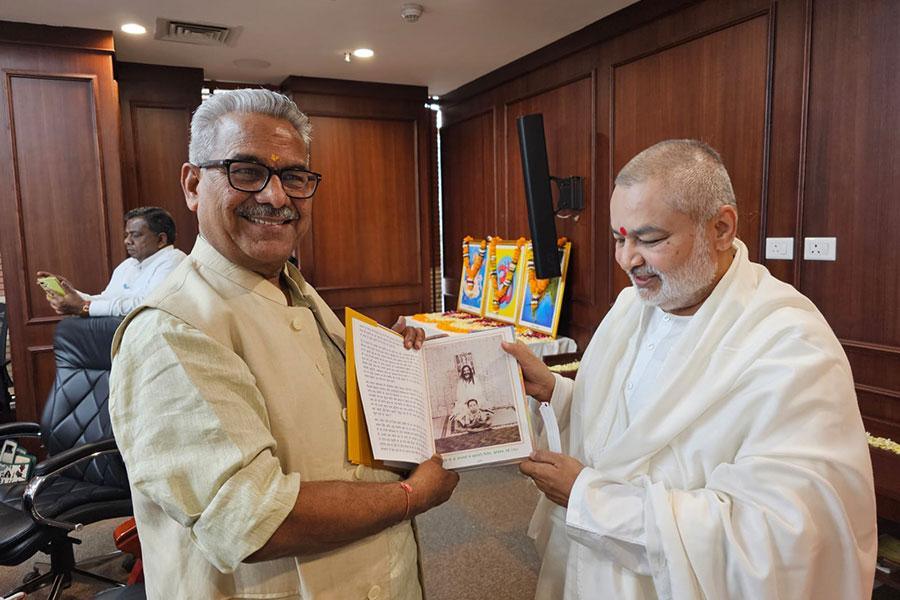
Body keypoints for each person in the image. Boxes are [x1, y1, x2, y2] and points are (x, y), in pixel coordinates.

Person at [108, 89, 459, 599]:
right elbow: (250, 518)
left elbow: (339, 430)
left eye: (294, 177)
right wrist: (412, 496)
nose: (276, 197)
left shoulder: (296, 290)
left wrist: (396, 372)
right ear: (192, 184)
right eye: (246, 171)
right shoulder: (171, 329)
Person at [503, 140, 876, 599]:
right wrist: (557, 392)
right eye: (620, 239)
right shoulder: (632, 307)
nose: (627, 260)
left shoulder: (788, 345)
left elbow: (778, 539)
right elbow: (627, 427)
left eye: (650, 239)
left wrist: (590, 500)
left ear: (720, 228)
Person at [36, 206, 185, 317]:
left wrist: (85, 308)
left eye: (136, 235)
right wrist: (70, 294)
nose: (127, 241)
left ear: (161, 239)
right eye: (126, 235)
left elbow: (147, 305)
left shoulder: (174, 260)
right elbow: (106, 299)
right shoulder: (127, 265)